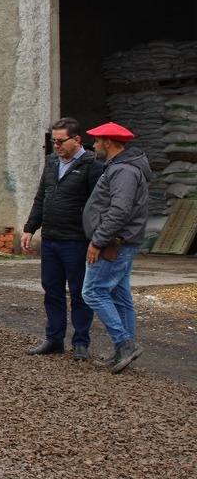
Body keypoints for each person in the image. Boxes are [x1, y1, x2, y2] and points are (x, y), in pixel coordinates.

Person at [21, 118, 104, 360]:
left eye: (60, 141)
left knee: (79, 293)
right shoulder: (51, 163)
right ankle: (54, 339)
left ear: (77, 140)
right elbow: (41, 197)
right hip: (51, 238)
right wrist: (30, 228)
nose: (56, 146)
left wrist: (96, 239)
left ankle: (80, 343)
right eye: (53, 141)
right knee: (52, 290)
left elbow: (98, 204)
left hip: (76, 240)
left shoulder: (91, 165)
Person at [81, 121, 151, 374]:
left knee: (93, 292)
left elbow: (119, 211)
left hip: (113, 244)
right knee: (120, 295)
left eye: (98, 141)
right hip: (120, 242)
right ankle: (124, 350)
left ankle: (125, 344)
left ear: (108, 143)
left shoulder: (123, 171)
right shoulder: (123, 167)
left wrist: (98, 241)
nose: (95, 146)